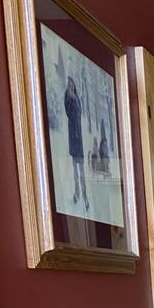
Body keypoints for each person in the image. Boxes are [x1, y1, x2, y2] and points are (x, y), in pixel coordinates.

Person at [64, 75, 89, 211]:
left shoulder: (77, 98)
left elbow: (80, 113)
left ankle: (84, 194)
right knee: (75, 168)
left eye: (73, 83)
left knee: (82, 169)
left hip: (79, 138)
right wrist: (70, 98)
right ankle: (77, 193)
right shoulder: (68, 97)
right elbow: (69, 112)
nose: (72, 85)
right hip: (74, 137)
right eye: (70, 83)